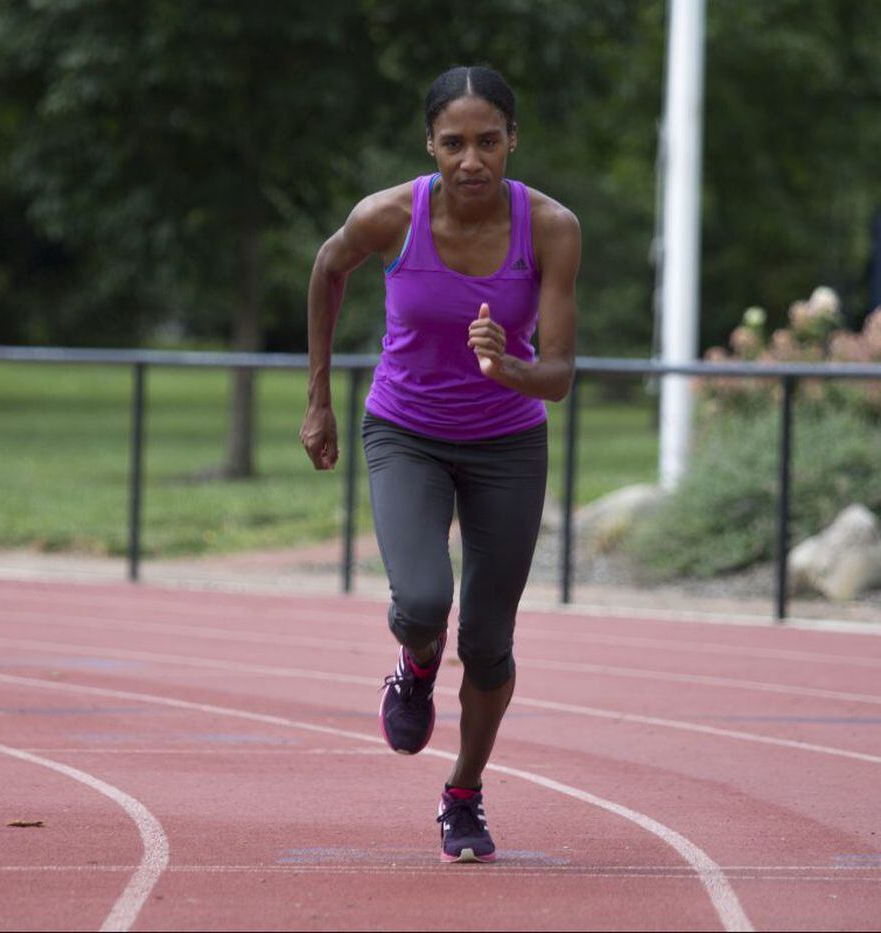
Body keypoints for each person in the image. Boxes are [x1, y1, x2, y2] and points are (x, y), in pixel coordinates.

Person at [300, 64, 579, 863]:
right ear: (430, 143)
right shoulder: (390, 215)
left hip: (507, 442)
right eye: (453, 143)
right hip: (406, 432)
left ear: (512, 141)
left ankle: (463, 792)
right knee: (424, 602)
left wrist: (507, 367)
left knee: (489, 641)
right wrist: (318, 400)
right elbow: (328, 268)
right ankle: (415, 665)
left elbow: (556, 376)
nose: (471, 161)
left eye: (488, 141)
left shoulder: (551, 227)